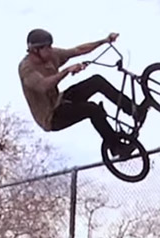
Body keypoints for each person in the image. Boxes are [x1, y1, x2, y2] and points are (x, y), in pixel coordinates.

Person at [18, 28, 146, 158]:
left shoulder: (51, 55)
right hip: (51, 117)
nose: (51, 50)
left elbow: (78, 50)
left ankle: (134, 111)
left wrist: (105, 41)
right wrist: (67, 71)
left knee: (97, 81)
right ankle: (116, 147)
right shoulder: (26, 68)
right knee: (92, 109)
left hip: (61, 99)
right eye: (47, 48)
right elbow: (43, 86)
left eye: (51, 46)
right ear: (36, 50)